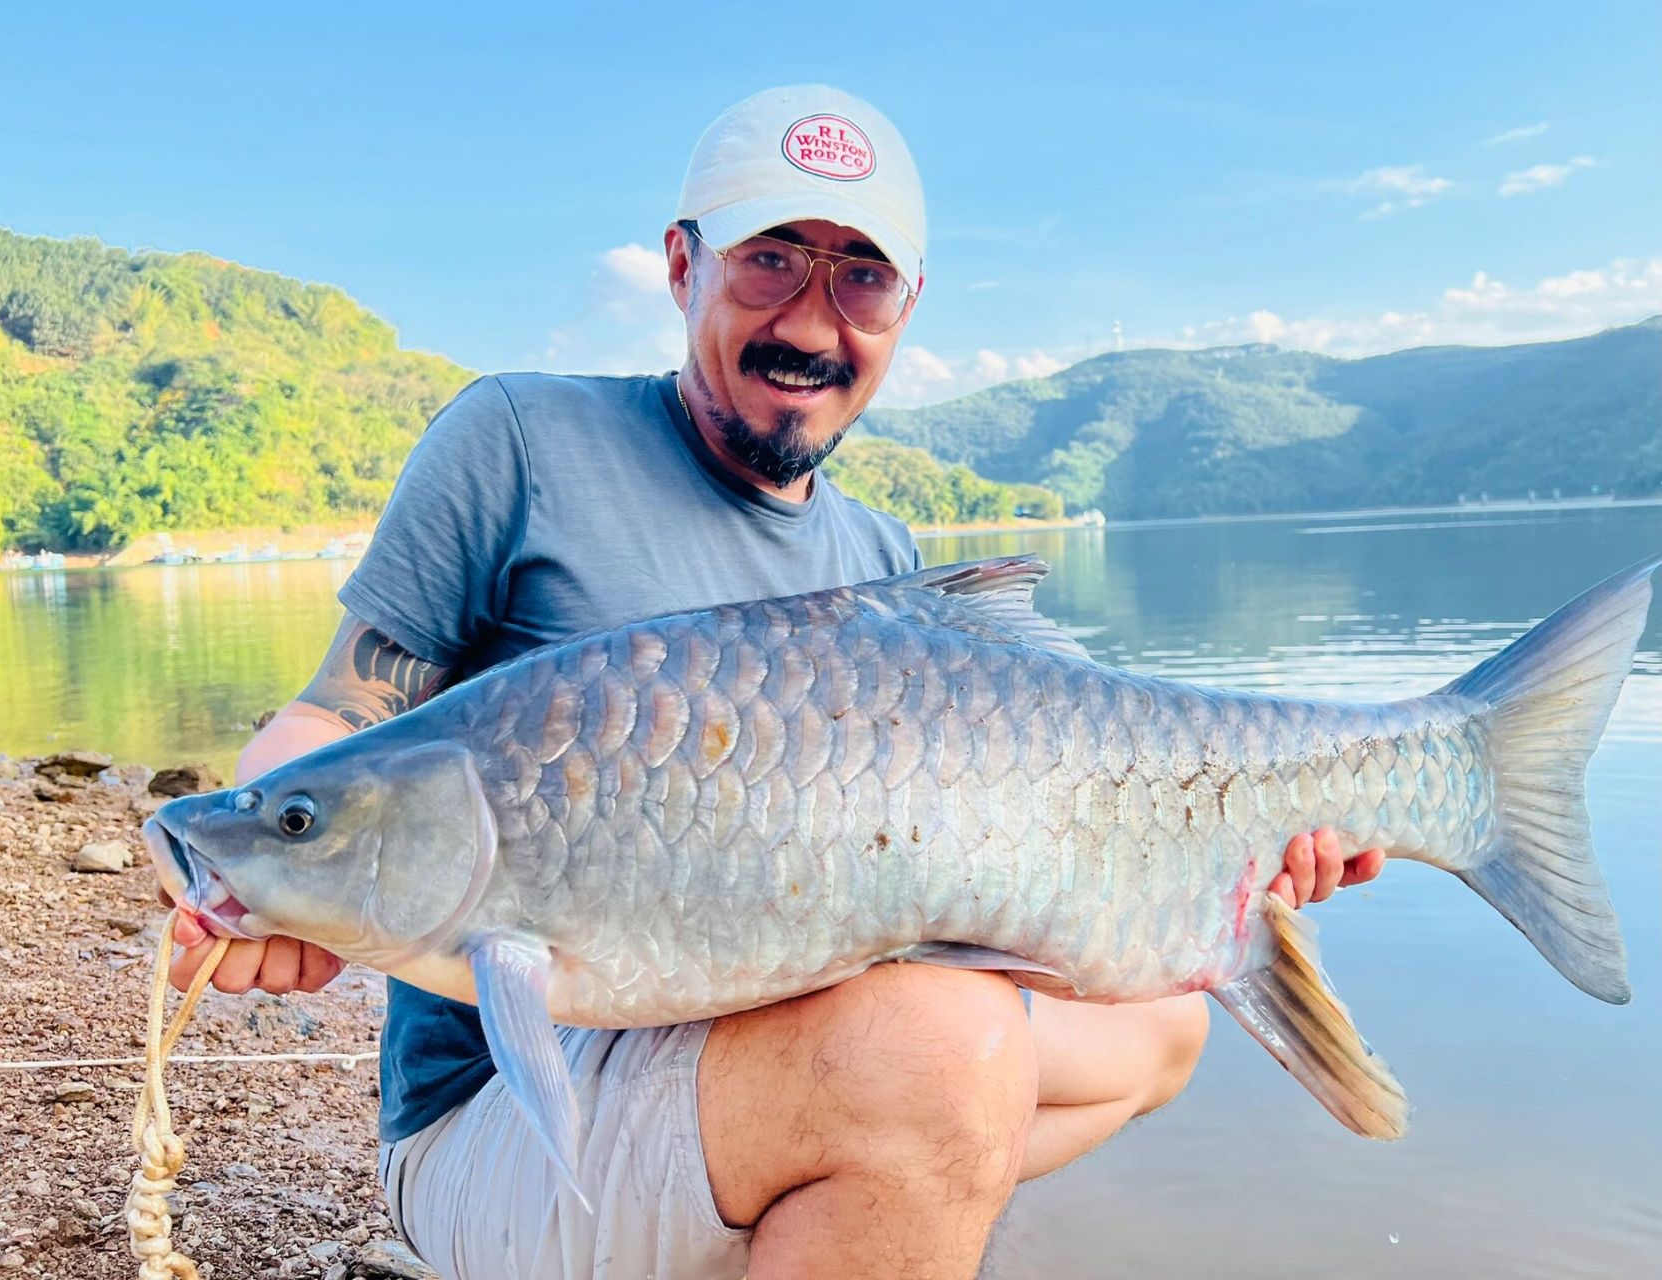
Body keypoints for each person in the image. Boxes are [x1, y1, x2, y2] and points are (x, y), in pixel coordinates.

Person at [168, 85, 1385, 1280]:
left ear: (907, 305)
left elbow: (981, 904)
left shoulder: (884, 565)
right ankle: (863, 1191)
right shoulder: (520, 442)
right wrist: (274, 863)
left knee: (1162, 1023)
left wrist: (1222, 851)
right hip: (509, 1118)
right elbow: (339, 717)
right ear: (682, 265)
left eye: (861, 277)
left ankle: (842, 1209)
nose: (811, 321)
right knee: (940, 1051)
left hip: (776, 1058)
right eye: (771, 261)